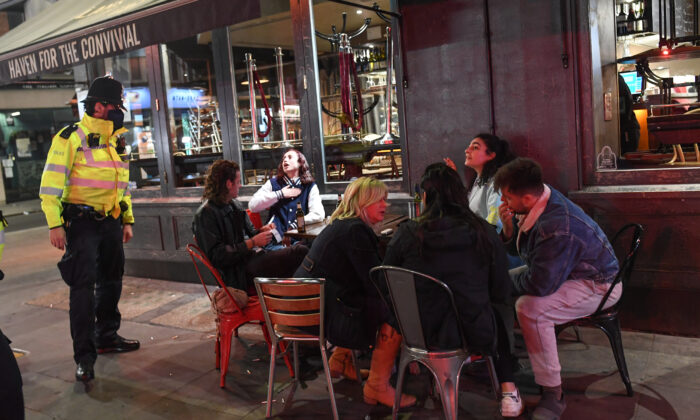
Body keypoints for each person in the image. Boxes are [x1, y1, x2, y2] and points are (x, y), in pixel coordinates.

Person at [383, 162, 523, 417]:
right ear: (460, 195)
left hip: (419, 333)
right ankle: (508, 388)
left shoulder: (409, 232)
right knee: (499, 307)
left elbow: (387, 281)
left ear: (425, 197)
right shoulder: (482, 231)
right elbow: (500, 287)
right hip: (474, 331)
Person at [494, 158, 620, 420]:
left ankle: (553, 394)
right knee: (494, 281)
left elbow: (540, 284)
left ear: (527, 198)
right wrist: (508, 230)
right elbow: (533, 262)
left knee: (530, 309)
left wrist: (504, 283)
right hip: (565, 273)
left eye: (507, 197)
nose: (504, 203)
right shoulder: (542, 195)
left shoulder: (557, 226)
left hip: (597, 284)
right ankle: (505, 361)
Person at [39, 76, 139, 383]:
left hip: (110, 221)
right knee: (81, 290)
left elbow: (123, 184)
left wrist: (127, 218)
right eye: (115, 106)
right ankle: (84, 357)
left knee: (112, 280)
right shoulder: (70, 137)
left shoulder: (117, 140)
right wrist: (54, 224)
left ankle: (107, 336)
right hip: (80, 223)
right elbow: (50, 185)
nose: (119, 112)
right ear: (99, 106)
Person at [294, 177, 416, 408]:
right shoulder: (355, 230)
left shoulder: (341, 223)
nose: (385, 205)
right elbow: (374, 281)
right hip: (315, 313)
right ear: (363, 202)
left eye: (386, 200)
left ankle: (341, 360)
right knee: (394, 312)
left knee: (370, 300)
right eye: (379, 200)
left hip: (303, 306)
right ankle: (378, 386)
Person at [192, 159, 307, 292]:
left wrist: (261, 231)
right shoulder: (205, 214)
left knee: (304, 245)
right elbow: (217, 256)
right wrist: (252, 243)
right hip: (237, 273)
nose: (240, 185)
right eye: (238, 181)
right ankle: (307, 299)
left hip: (252, 258)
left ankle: (295, 299)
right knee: (300, 252)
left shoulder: (235, 205)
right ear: (229, 184)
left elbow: (251, 233)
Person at [248, 149, 324, 248]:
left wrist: (296, 224)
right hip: (273, 241)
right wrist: (280, 194)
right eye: (283, 158)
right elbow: (252, 206)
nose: (285, 160)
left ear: (300, 162)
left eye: (290, 157)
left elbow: (318, 214)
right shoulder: (273, 183)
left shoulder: (309, 186)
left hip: (299, 241)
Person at [444, 133, 515, 231]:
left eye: (475, 147)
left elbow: (495, 226)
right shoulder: (480, 180)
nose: (467, 150)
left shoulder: (496, 184)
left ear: (491, 155)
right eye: (469, 147)